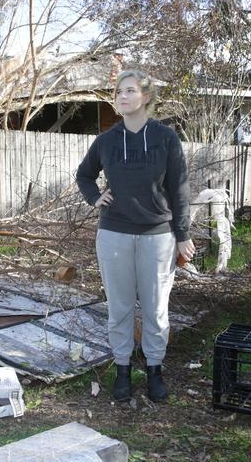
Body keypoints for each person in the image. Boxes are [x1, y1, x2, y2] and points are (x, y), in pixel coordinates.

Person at [76, 69, 194, 402]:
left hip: (158, 236)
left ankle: (155, 369)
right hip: (114, 234)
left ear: (145, 97)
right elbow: (84, 175)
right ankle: (123, 368)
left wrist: (182, 234)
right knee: (120, 307)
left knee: (156, 308)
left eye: (129, 91)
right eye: (118, 92)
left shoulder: (165, 139)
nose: (122, 97)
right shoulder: (107, 141)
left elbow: (179, 190)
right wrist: (95, 196)